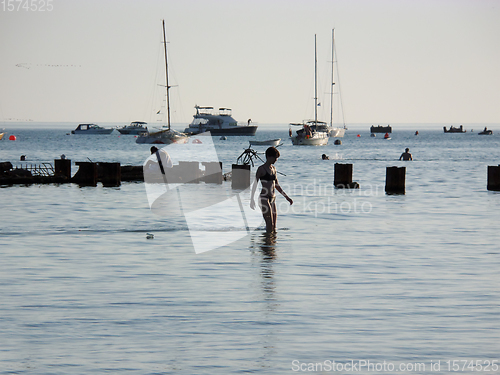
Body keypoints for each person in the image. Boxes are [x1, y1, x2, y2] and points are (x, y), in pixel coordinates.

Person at [250, 147, 293, 233]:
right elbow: (254, 184)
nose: (276, 160)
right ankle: (266, 245)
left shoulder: (274, 169)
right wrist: (252, 199)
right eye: (275, 157)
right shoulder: (261, 169)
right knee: (270, 225)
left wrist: (287, 197)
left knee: (274, 227)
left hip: (273, 199)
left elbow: (277, 185)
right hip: (264, 198)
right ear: (268, 156)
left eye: (277, 158)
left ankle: (272, 245)